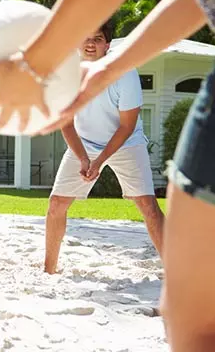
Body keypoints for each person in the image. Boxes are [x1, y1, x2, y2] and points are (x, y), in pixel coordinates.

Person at [0, 0, 215, 349]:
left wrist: (33, 63)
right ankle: (50, 268)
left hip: (123, 145)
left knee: (193, 319)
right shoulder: (94, 66)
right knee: (192, 314)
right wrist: (108, 68)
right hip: (96, 140)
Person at [44, 24, 165, 274]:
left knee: (148, 206)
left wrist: (99, 162)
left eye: (97, 39)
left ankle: (175, 272)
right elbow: (65, 123)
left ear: (108, 45)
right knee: (56, 204)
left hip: (126, 143)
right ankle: (49, 270)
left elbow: (127, 126)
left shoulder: (125, 73)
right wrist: (82, 158)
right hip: (85, 143)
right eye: (86, 38)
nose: (90, 44)